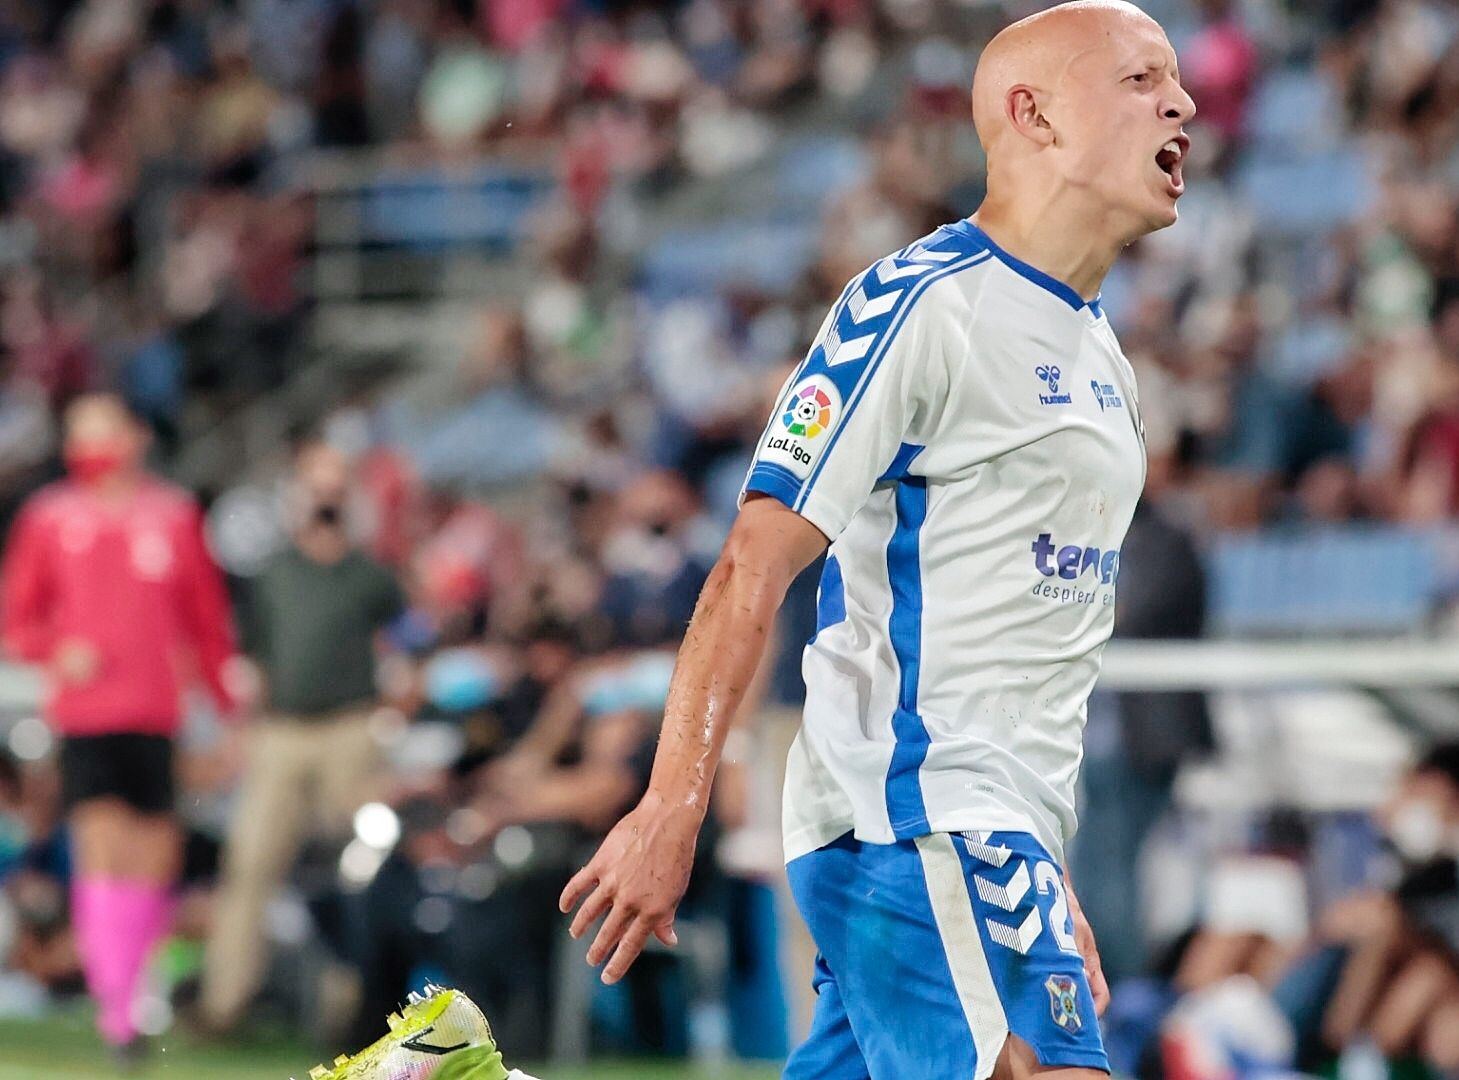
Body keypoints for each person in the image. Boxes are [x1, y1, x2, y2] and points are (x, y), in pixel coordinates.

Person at [561, 3, 1195, 1077]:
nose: (1182, 103)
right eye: (1140, 80)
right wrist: (675, 806)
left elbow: (1029, 648)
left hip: (989, 832)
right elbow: (750, 562)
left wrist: (1042, 871)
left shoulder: (1106, 359)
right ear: (1030, 114)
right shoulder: (917, 308)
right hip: (916, 812)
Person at [0, 393, 239, 1062]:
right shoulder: (49, 517)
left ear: (135, 434)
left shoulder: (173, 515)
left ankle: (133, 990)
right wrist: (58, 649)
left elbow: (207, 624)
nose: (89, 443)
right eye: (78, 430)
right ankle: (118, 1014)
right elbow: (18, 620)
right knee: (102, 850)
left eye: (101, 428)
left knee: (154, 860)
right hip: (87, 715)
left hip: (156, 714)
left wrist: (225, 714)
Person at [199, 440, 405, 1032]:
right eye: (317, 484)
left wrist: (388, 714)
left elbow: (404, 644)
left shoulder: (369, 574)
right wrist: (241, 732)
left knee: (357, 870)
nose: (326, 497)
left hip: (349, 728)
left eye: (336, 484)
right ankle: (225, 1003)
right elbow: (256, 659)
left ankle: (354, 1002)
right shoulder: (275, 572)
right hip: (282, 730)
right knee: (250, 864)